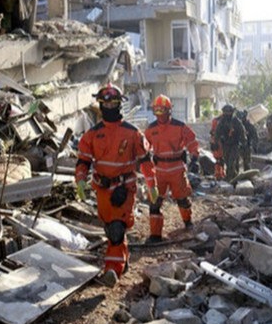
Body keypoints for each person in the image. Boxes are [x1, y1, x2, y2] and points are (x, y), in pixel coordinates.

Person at [75, 83, 159, 287]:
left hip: (125, 188)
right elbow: (83, 161)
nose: (110, 107)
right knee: (111, 229)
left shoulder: (132, 133)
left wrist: (152, 184)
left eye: (114, 103)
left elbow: (145, 161)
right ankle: (123, 257)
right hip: (102, 189)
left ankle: (112, 270)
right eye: (106, 103)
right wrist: (80, 181)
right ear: (100, 105)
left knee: (116, 230)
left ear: (120, 104)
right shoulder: (92, 135)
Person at [144, 95, 200, 243]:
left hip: (177, 168)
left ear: (169, 110)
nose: (159, 114)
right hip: (159, 170)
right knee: (155, 202)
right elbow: (143, 146)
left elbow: (192, 141)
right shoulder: (151, 129)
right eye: (156, 110)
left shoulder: (180, 126)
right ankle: (155, 235)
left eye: (162, 110)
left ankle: (188, 223)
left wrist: (195, 157)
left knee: (182, 199)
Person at [215, 104, 246, 180]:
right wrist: (216, 142)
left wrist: (244, 143)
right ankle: (234, 176)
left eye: (229, 112)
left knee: (231, 162)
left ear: (232, 112)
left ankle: (229, 178)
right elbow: (217, 132)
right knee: (227, 162)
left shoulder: (236, 121)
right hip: (225, 145)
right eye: (226, 112)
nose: (227, 114)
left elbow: (242, 132)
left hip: (234, 145)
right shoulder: (222, 122)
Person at [209, 114, 226, 180]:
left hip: (217, 142)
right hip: (218, 143)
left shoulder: (215, 120)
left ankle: (220, 174)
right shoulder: (219, 121)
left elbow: (212, 132)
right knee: (219, 160)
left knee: (219, 160)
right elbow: (213, 132)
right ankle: (219, 174)